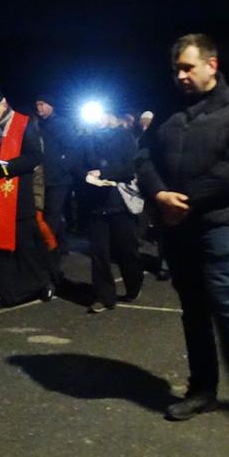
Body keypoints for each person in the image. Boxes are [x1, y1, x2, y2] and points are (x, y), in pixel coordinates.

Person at [136, 33, 229, 422]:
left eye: (188, 68)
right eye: (176, 69)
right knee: (192, 307)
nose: (180, 76)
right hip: (176, 224)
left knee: (222, 299)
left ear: (212, 65)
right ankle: (202, 389)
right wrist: (159, 194)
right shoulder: (167, 109)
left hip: (219, 222)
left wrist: (184, 200)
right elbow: (144, 156)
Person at [0, 82, 54, 310]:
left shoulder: (24, 123)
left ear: (4, 104)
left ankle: (43, 282)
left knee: (27, 247)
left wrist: (7, 167)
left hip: (19, 196)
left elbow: (35, 156)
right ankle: (3, 291)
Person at [82, 107, 143, 313]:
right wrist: (87, 176)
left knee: (126, 250)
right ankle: (104, 296)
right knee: (99, 253)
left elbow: (130, 168)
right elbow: (80, 164)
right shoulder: (88, 138)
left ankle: (133, 285)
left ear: (110, 115)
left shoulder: (124, 136)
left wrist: (104, 173)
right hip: (96, 203)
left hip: (119, 202)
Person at [35, 92, 76, 264]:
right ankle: (61, 245)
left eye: (42, 104)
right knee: (52, 213)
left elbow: (72, 148)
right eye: (37, 104)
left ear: (51, 106)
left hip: (59, 179)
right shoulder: (37, 124)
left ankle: (47, 251)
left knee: (52, 214)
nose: (39, 107)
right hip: (44, 177)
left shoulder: (62, 124)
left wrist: (63, 167)